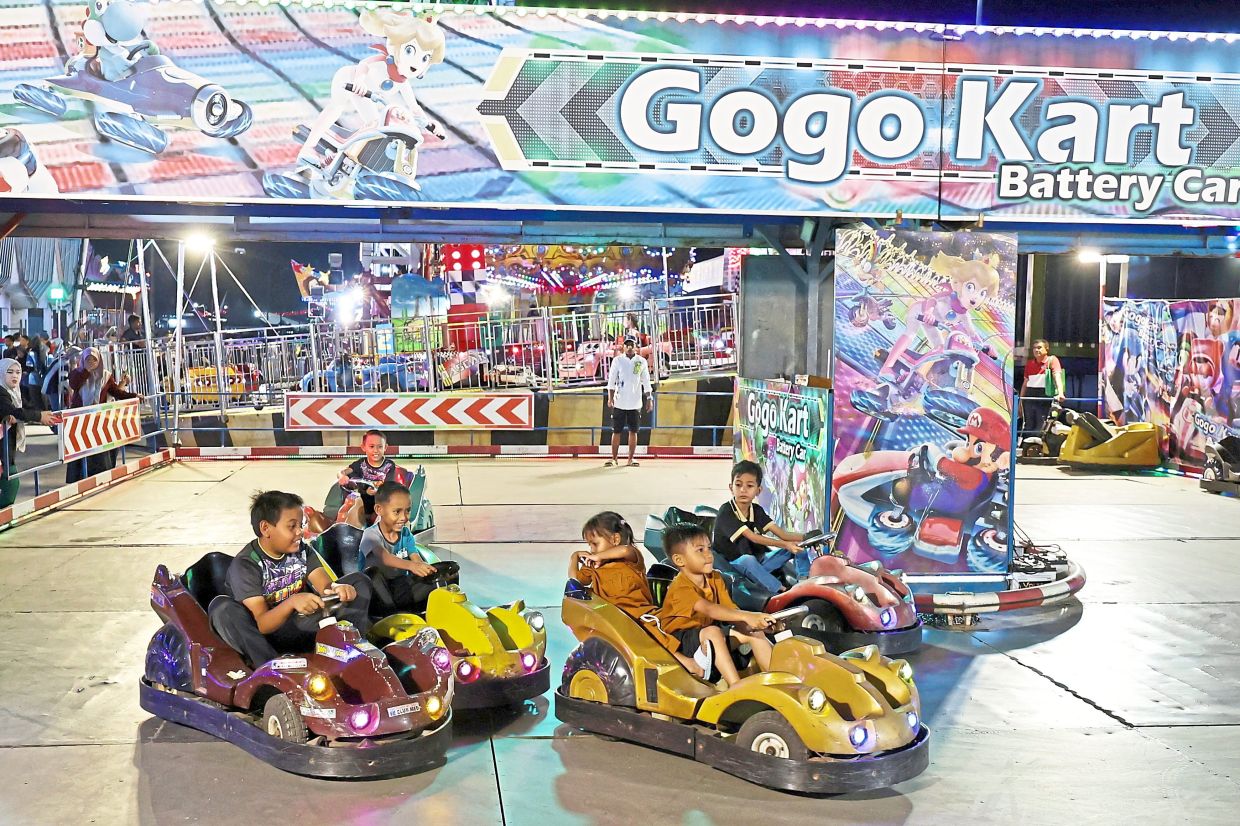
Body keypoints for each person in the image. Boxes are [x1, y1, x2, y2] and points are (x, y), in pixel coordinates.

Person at [209, 491, 372, 668]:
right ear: (266, 528)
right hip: (267, 637)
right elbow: (262, 624)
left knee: (359, 581)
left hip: (301, 624)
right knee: (221, 608)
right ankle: (272, 667)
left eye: (300, 525)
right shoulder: (247, 565)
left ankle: (350, 650)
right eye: (292, 526)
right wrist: (291, 602)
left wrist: (338, 589)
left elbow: (324, 586)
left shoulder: (301, 551)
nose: (300, 532)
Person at [568, 511, 702, 676]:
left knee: (653, 634)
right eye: (589, 545)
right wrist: (574, 557)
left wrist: (598, 556)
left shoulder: (630, 558)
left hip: (641, 614)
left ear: (615, 539)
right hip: (618, 621)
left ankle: (689, 662)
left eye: (594, 544)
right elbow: (574, 581)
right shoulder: (594, 568)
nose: (591, 550)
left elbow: (625, 550)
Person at [656, 523, 775, 686]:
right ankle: (737, 687)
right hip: (682, 641)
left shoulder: (715, 578)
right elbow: (709, 609)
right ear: (679, 559)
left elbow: (730, 610)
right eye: (700, 550)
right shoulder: (680, 587)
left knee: (754, 632)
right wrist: (748, 615)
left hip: (709, 636)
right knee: (713, 631)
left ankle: (776, 681)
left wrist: (756, 623)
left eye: (709, 548)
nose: (709, 555)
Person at [712, 460, 807, 592]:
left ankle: (804, 581)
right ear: (731, 487)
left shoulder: (756, 510)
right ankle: (781, 590)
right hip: (732, 566)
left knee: (800, 548)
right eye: (738, 485)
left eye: (749, 486)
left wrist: (808, 537)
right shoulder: (726, 511)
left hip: (757, 564)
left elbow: (782, 534)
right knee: (748, 560)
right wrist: (786, 544)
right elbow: (753, 537)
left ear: (758, 490)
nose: (743, 490)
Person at [360, 481, 445, 615]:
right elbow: (384, 557)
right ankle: (392, 616)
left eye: (407, 511)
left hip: (398, 589)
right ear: (379, 510)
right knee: (374, 574)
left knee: (437, 586)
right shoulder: (370, 535)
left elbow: (415, 558)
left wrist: (427, 570)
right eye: (397, 512)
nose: (404, 517)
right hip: (375, 595)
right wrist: (411, 566)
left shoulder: (406, 534)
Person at [65, 347, 137, 482]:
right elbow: (74, 384)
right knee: (81, 448)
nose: (91, 362)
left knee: (100, 452)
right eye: (88, 359)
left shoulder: (106, 376)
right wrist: (86, 371)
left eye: (94, 359)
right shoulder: (77, 373)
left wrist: (134, 396)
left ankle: (102, 477)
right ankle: (79, 477)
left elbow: (116, 392)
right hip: (80, 419)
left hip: (99, 420)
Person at [1, 357, 61, 507]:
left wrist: (39, 414)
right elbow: (13, 411)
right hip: (3, 448)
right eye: (10, 372)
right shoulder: (1, 392)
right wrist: (40, 416)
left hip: (6, 446)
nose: (14, 376)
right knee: (11, 483)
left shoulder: (15, 392)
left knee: (10, 481)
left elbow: (23, 410)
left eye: (18, 372)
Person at [605, 334, 653, 467]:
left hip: (635, 402)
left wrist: (649, 398)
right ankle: (614, 458)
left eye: (632, 344)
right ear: (623, 347)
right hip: (619, 401)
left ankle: (630, 459)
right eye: (627, 345)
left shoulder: (641, 361)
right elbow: (611, 380)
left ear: (636, 347)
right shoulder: (617, 361)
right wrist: (610, 397)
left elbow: (646, 382)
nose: (630, 347)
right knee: (616, 431)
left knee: (633, 431)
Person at [337, 430, 399, 525]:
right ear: (363, 447)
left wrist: (378, 490)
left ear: (385, 447)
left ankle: (379, 531)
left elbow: (388, 485)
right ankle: (349, 529)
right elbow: (343, 472)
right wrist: (342, 476)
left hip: (380, 500)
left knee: (384, 505)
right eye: (371, 446)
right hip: (363, 500)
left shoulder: (389, 465)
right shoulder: (360, 464)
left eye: (380, 447)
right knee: (354, 500)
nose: (375, 450)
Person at [1021, 339, 1066, 435]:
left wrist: (1061, 393)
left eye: (1039, 348)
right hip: (1030, 397)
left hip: (1044, 397)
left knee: (1041, 423)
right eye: (1034, 348)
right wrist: (1021, 400)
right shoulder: (1030, 364)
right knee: (1028, 424)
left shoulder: (1052, 360)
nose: (1036, 350)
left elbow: (1057, 376)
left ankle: (1037, 446)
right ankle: (1027, 446)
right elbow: (1025, 383)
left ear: (1047, 349)